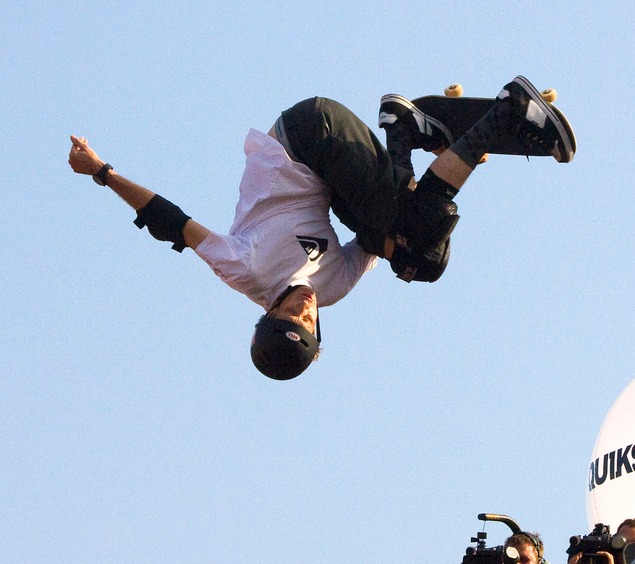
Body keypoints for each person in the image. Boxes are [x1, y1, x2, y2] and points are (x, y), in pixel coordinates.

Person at [68, 76, 574, 380]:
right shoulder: (332, 288)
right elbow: (387, 242)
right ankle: (403, 129)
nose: (304, 308)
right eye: (308, 323)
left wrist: (103, 172)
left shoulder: (243, 270)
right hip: (341, 173)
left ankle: (506, 109)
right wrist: (452, 173)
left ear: (269, 312)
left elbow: (171, 221)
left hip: (309, 135)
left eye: (291, 313)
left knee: (412, 231)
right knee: (422, 261)